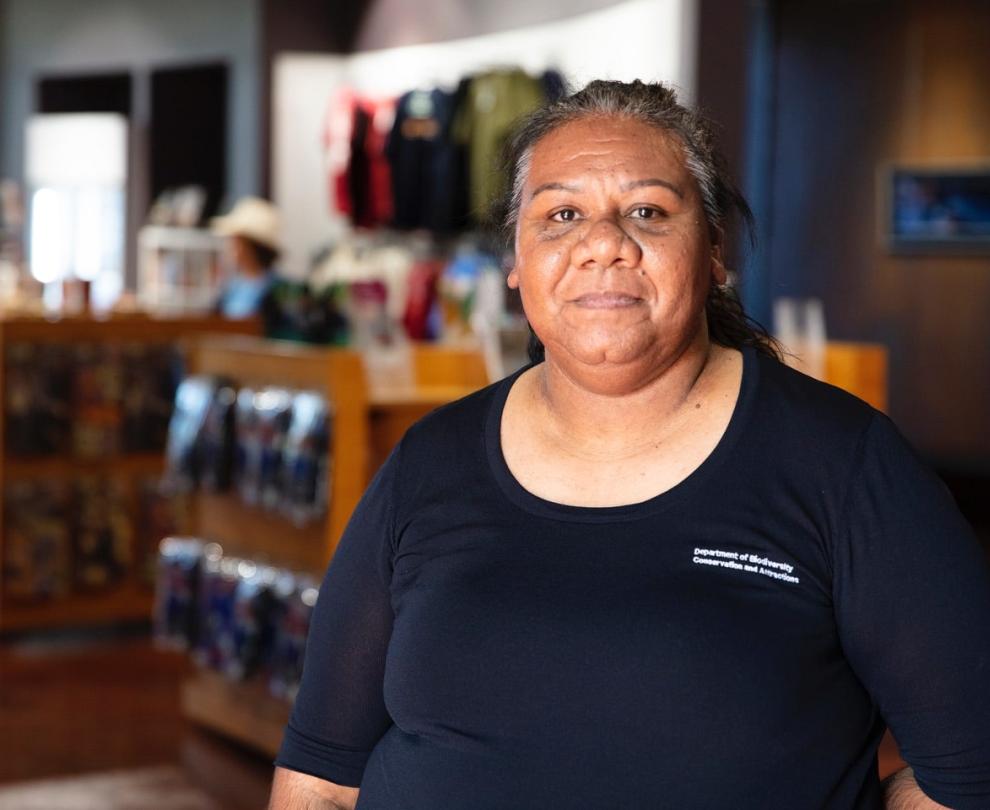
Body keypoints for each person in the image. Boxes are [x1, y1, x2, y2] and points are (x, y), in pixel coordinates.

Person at [269, 80, 990, 809]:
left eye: (647, 211)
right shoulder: (429, 463)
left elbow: (969, 773)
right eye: (562, 214)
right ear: (516, 260)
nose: (603, 243)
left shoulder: (843, 462)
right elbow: (319, 780)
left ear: (713, 250)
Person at [211, 196, 282, 319]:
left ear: (248, 246)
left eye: (236, 241)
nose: (231, 247)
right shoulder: (233, 285)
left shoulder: (278, 291)